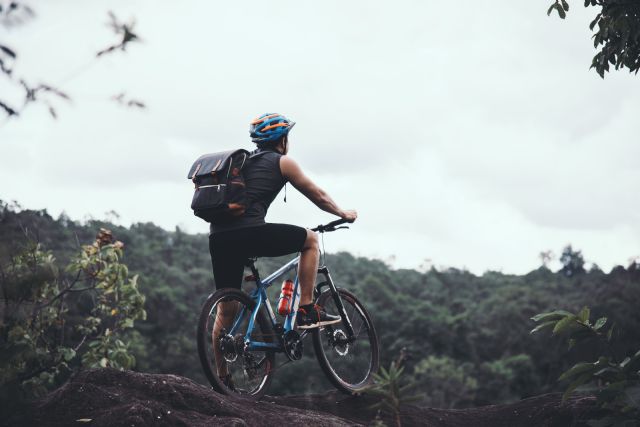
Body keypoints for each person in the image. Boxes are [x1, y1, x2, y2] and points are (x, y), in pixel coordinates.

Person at [209, 113, 358, 331]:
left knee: (225, 309)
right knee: (310, 240)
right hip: (249, 232)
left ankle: (218, 367)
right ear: (283, 139)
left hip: (218, 237)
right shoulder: (283, 162)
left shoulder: (241, 162)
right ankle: (306, 309)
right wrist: (342, 213)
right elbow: (318, 195)